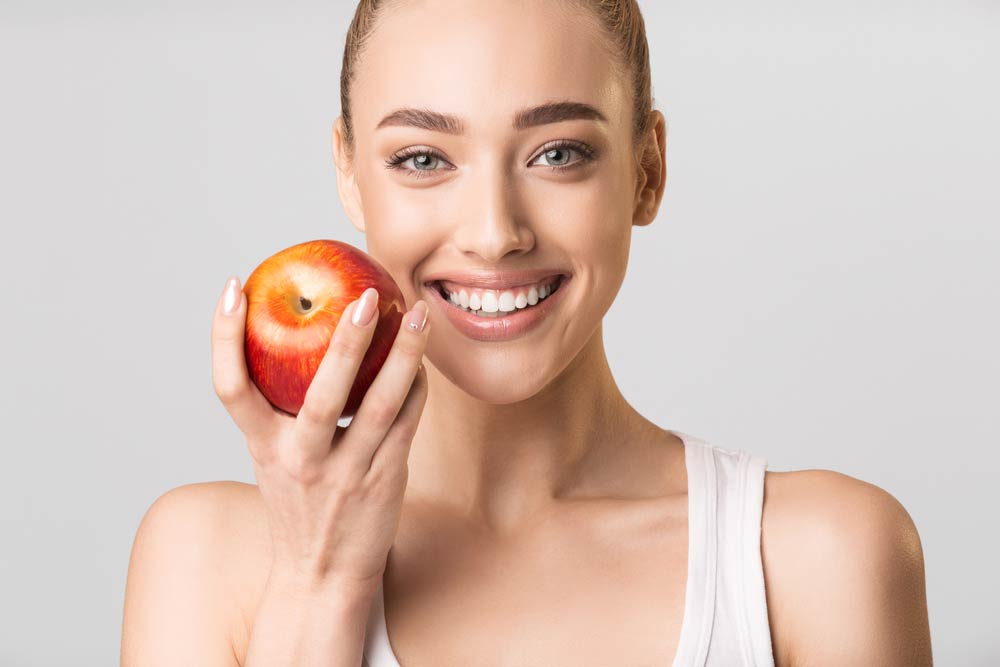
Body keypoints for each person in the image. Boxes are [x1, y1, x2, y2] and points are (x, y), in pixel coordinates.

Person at [121, 0, 933, 665]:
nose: (494, 232)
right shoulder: (205, 562)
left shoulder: (818, 560)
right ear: (349, 173)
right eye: (422, 159)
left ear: (647, 170)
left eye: (557, 152)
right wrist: (318, 581)